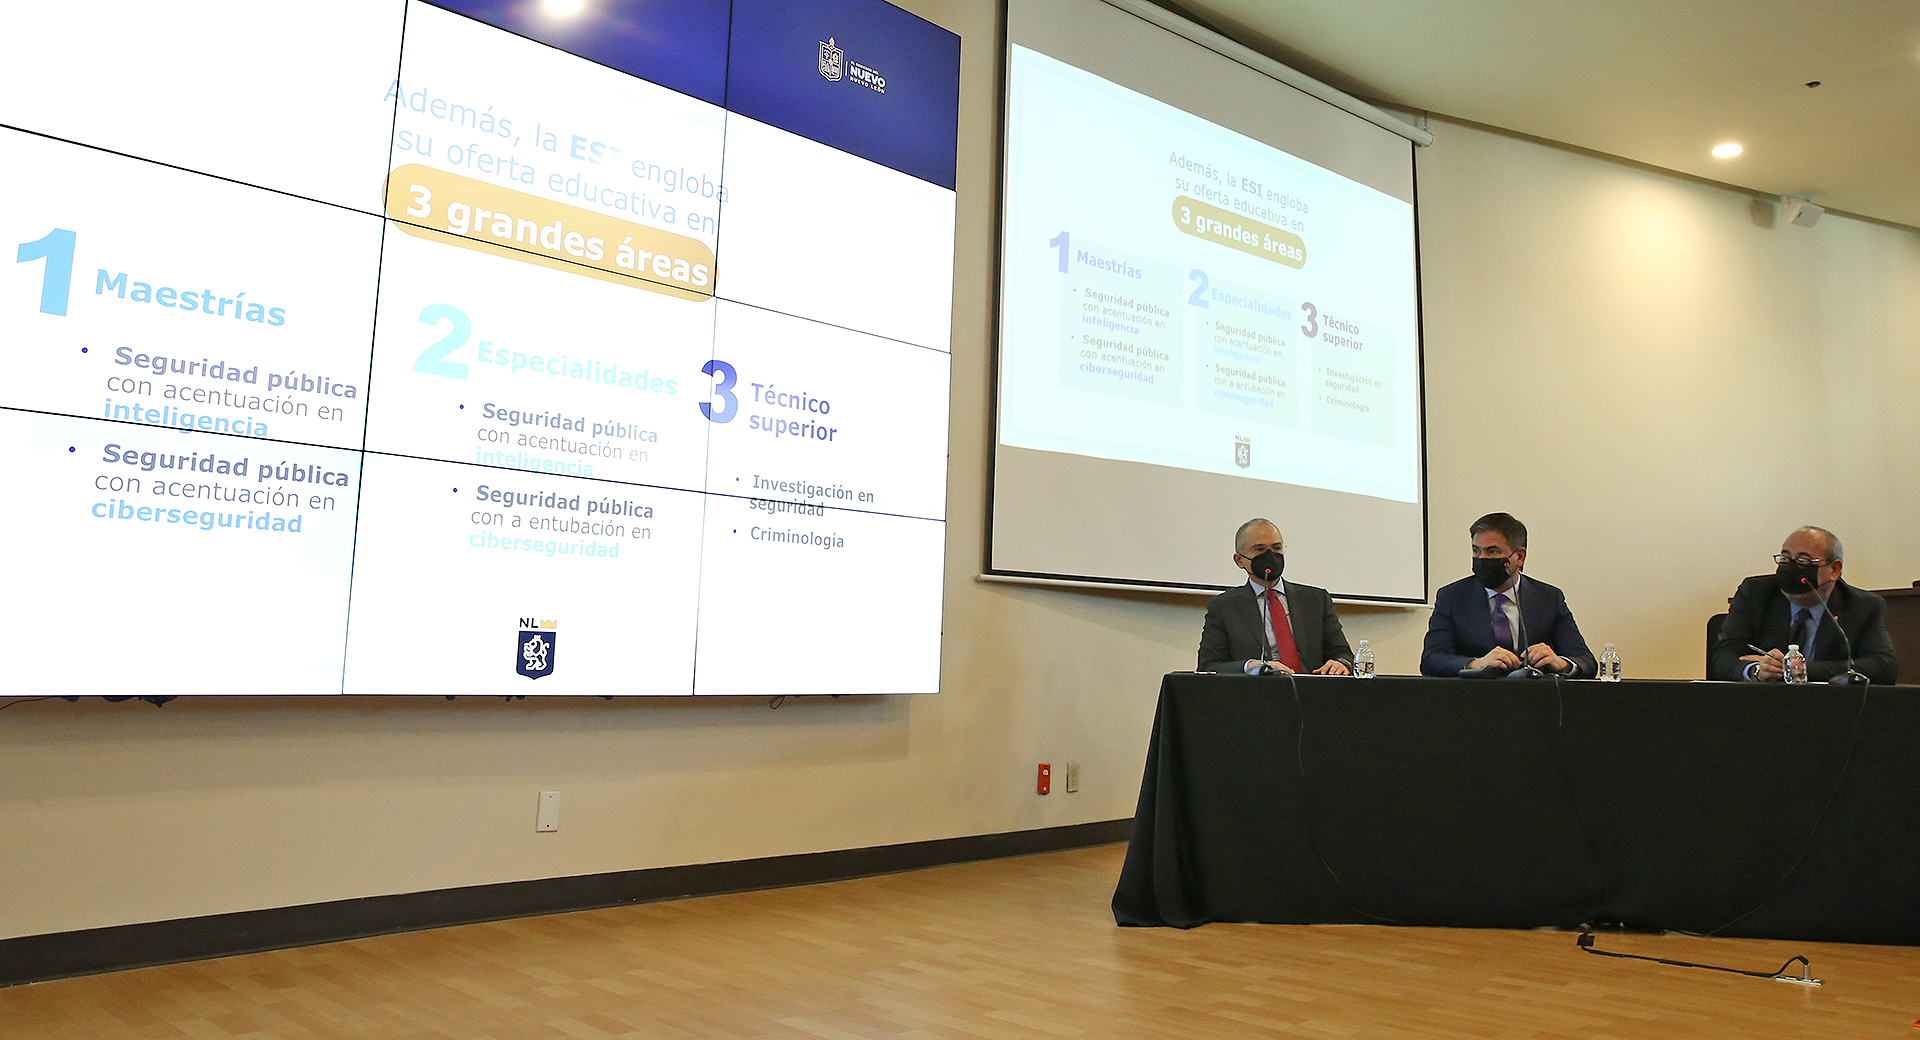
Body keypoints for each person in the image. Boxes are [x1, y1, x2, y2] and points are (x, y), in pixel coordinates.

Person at [1709, 526, 1897, 684]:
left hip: (1830, 707)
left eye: (1803, 561)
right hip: (1763, 704)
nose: (1791, 569)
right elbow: (1723, 657)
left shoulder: (1862, 606)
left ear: (1834, 569)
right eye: (1785, 559)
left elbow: (1883, 666)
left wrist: (1799, 668)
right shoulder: (1756, 593)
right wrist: (1756, 670)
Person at [1421, 512, 1595, 677]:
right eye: (1476, 551)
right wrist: (1475, 664)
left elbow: (1586, 661)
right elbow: (1431, 660)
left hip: (1534, 695)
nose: (1482, 558)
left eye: (1492, 551)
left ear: (1520, 556)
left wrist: (1561, 664)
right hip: (1473, 694)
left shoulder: (1549, 598)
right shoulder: (1452, 597)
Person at [1197, 518, 1353, 675]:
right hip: (1259, 689)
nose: (1270, 555)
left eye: (1276, 548)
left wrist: (1341, 664)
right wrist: (1249, 666)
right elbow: (1208, 666)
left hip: (1312, 686)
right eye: (1259, 549)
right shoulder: (1224, 607)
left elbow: (1343, 654)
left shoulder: (1316, 600)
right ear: (1239, 560)